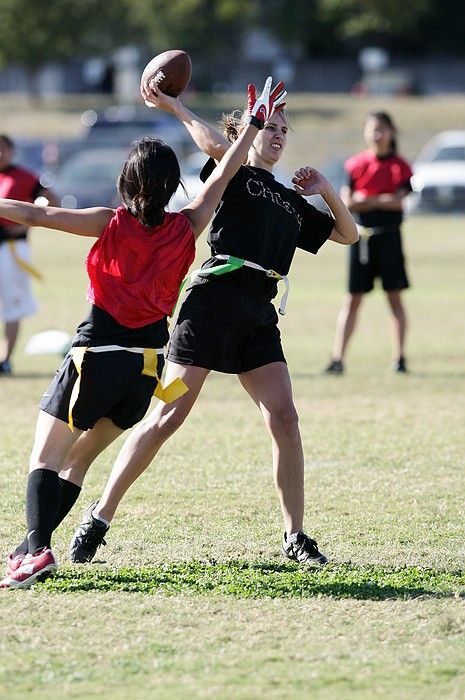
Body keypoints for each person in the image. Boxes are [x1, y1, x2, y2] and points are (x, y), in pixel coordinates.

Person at [0, 75, 280, 589]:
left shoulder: (108, 222)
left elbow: (24, 213)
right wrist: (255, 125)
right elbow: (229, 171)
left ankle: (36, 551)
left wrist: (29, 210)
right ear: (174, 186)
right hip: (147, 371)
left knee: (45, 458)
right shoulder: (189, 224)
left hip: (97, 356)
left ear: (126, 184)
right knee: (78, 463)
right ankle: (29, 549)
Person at [68, 78, 358, 568]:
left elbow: (349, 235)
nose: (278, 134)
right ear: (250, 130)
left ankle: (296, 536)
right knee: (167, 414)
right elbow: (216, 145)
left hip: (257, 317)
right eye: (271, 126)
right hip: (210, 307)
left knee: (284, 417)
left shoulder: (289, 201)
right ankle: (98, 516)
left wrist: (326, 189)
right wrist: (181, 106)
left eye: (284, 129)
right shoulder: (237, 174)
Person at [325, 111, 413, 375]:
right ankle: (338, 358)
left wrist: (368, 198)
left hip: (389, 238)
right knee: (352, 299)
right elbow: (347, 201)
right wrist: (381, 199)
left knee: (394, 298)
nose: (378, 134)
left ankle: (400, 358)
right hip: (360, 238)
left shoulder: (400, 166)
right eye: (373, 129)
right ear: (366, 132)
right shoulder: (355, 165)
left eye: (383, 129)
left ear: (391, 132)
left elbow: (399, 201)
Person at [0, 134, 58, 375]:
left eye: (2, 149)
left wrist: (27, 224)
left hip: (11, 247)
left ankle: (5, 359)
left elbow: (51, 202)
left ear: (11, 151)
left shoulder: (24, 177)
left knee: (12, 304)